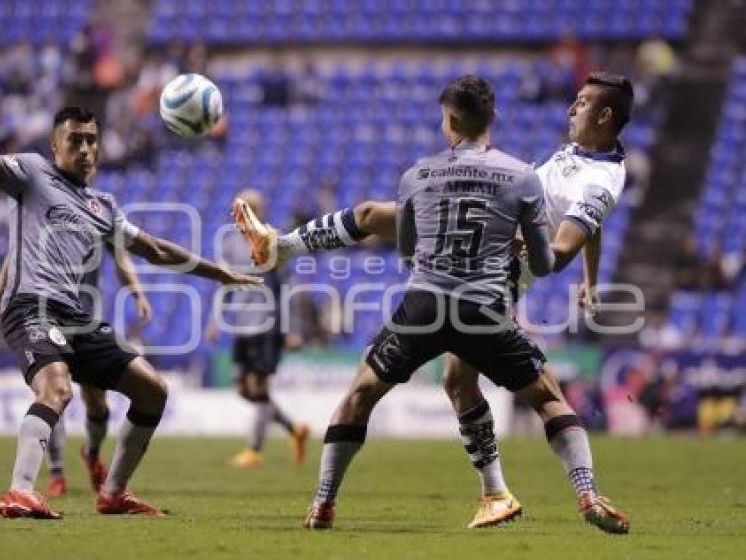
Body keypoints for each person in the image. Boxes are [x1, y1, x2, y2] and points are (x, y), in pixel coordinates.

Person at [234, 73, 633, 533]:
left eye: (581, 104)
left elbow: (563, 246)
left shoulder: (602, 178)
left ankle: (280, 247)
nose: (570, 109)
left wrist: (536, 249)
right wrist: (592, 278)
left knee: (370, 218)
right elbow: (589, 227)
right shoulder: (580, 155)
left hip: (492, 256)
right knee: (459, 380)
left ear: (605, 116)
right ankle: (501, 494)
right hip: (489, 239)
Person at [0, 46, 261, 519]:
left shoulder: (102, 206)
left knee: (152, 389)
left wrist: (217, 273)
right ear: (55, 146)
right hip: (30, 308)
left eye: (92, 140)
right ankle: (19, 490)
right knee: (57, 389)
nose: (87, 149)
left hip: (75, 315)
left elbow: (153, 248)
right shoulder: (31, 173)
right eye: (75, 140)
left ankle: (113, 493)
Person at [0, 241, 153, 497]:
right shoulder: (42, 213)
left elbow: (121, 256)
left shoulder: (96, 211)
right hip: (45, 313)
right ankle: (57, 473)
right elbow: (13, 258)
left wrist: (137, 292)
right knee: (51, 392)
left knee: (96, 400)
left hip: (85, 317)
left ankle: (92, 454)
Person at [206, 189, 309, 469]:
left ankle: (254, 450)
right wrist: (215, 320)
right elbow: (224, 283)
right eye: (238, 208)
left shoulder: (273, 241)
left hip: (268, 323)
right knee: (243, 389)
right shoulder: (229, 243)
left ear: (259, 211)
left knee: (259, 386)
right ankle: (293, 428)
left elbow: (289, 288)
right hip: (241, 324)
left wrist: (292, 329)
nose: (242, 213)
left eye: (249, 207)